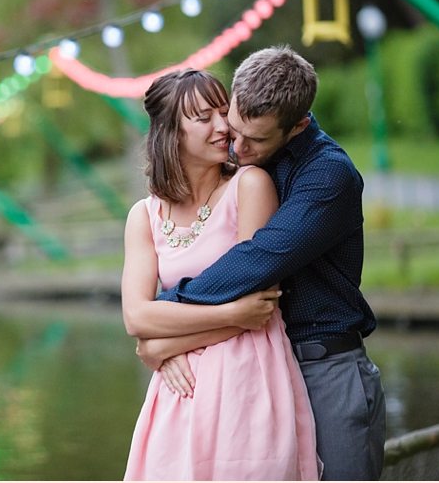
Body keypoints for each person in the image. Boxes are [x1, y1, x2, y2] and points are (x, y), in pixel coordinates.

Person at [152, 45, 386, 480]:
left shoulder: (327, 175)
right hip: (260, 374)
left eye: (255, 139)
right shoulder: (237, 165)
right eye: (233, 128)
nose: (236, 146)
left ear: (297, 125)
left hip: (326, 371)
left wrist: (164, 312)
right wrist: (163, 336)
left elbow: (258, 259)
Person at [121, 68, 321, 480]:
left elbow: (259, 309)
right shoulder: (145, 216)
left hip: (247, 378)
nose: (222, 126)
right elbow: (135, 318)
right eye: (203, 118)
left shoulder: (250, 186)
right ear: (170, 134)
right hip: (179, 387)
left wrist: (162, 345)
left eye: (221, 111)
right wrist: (169, 350)